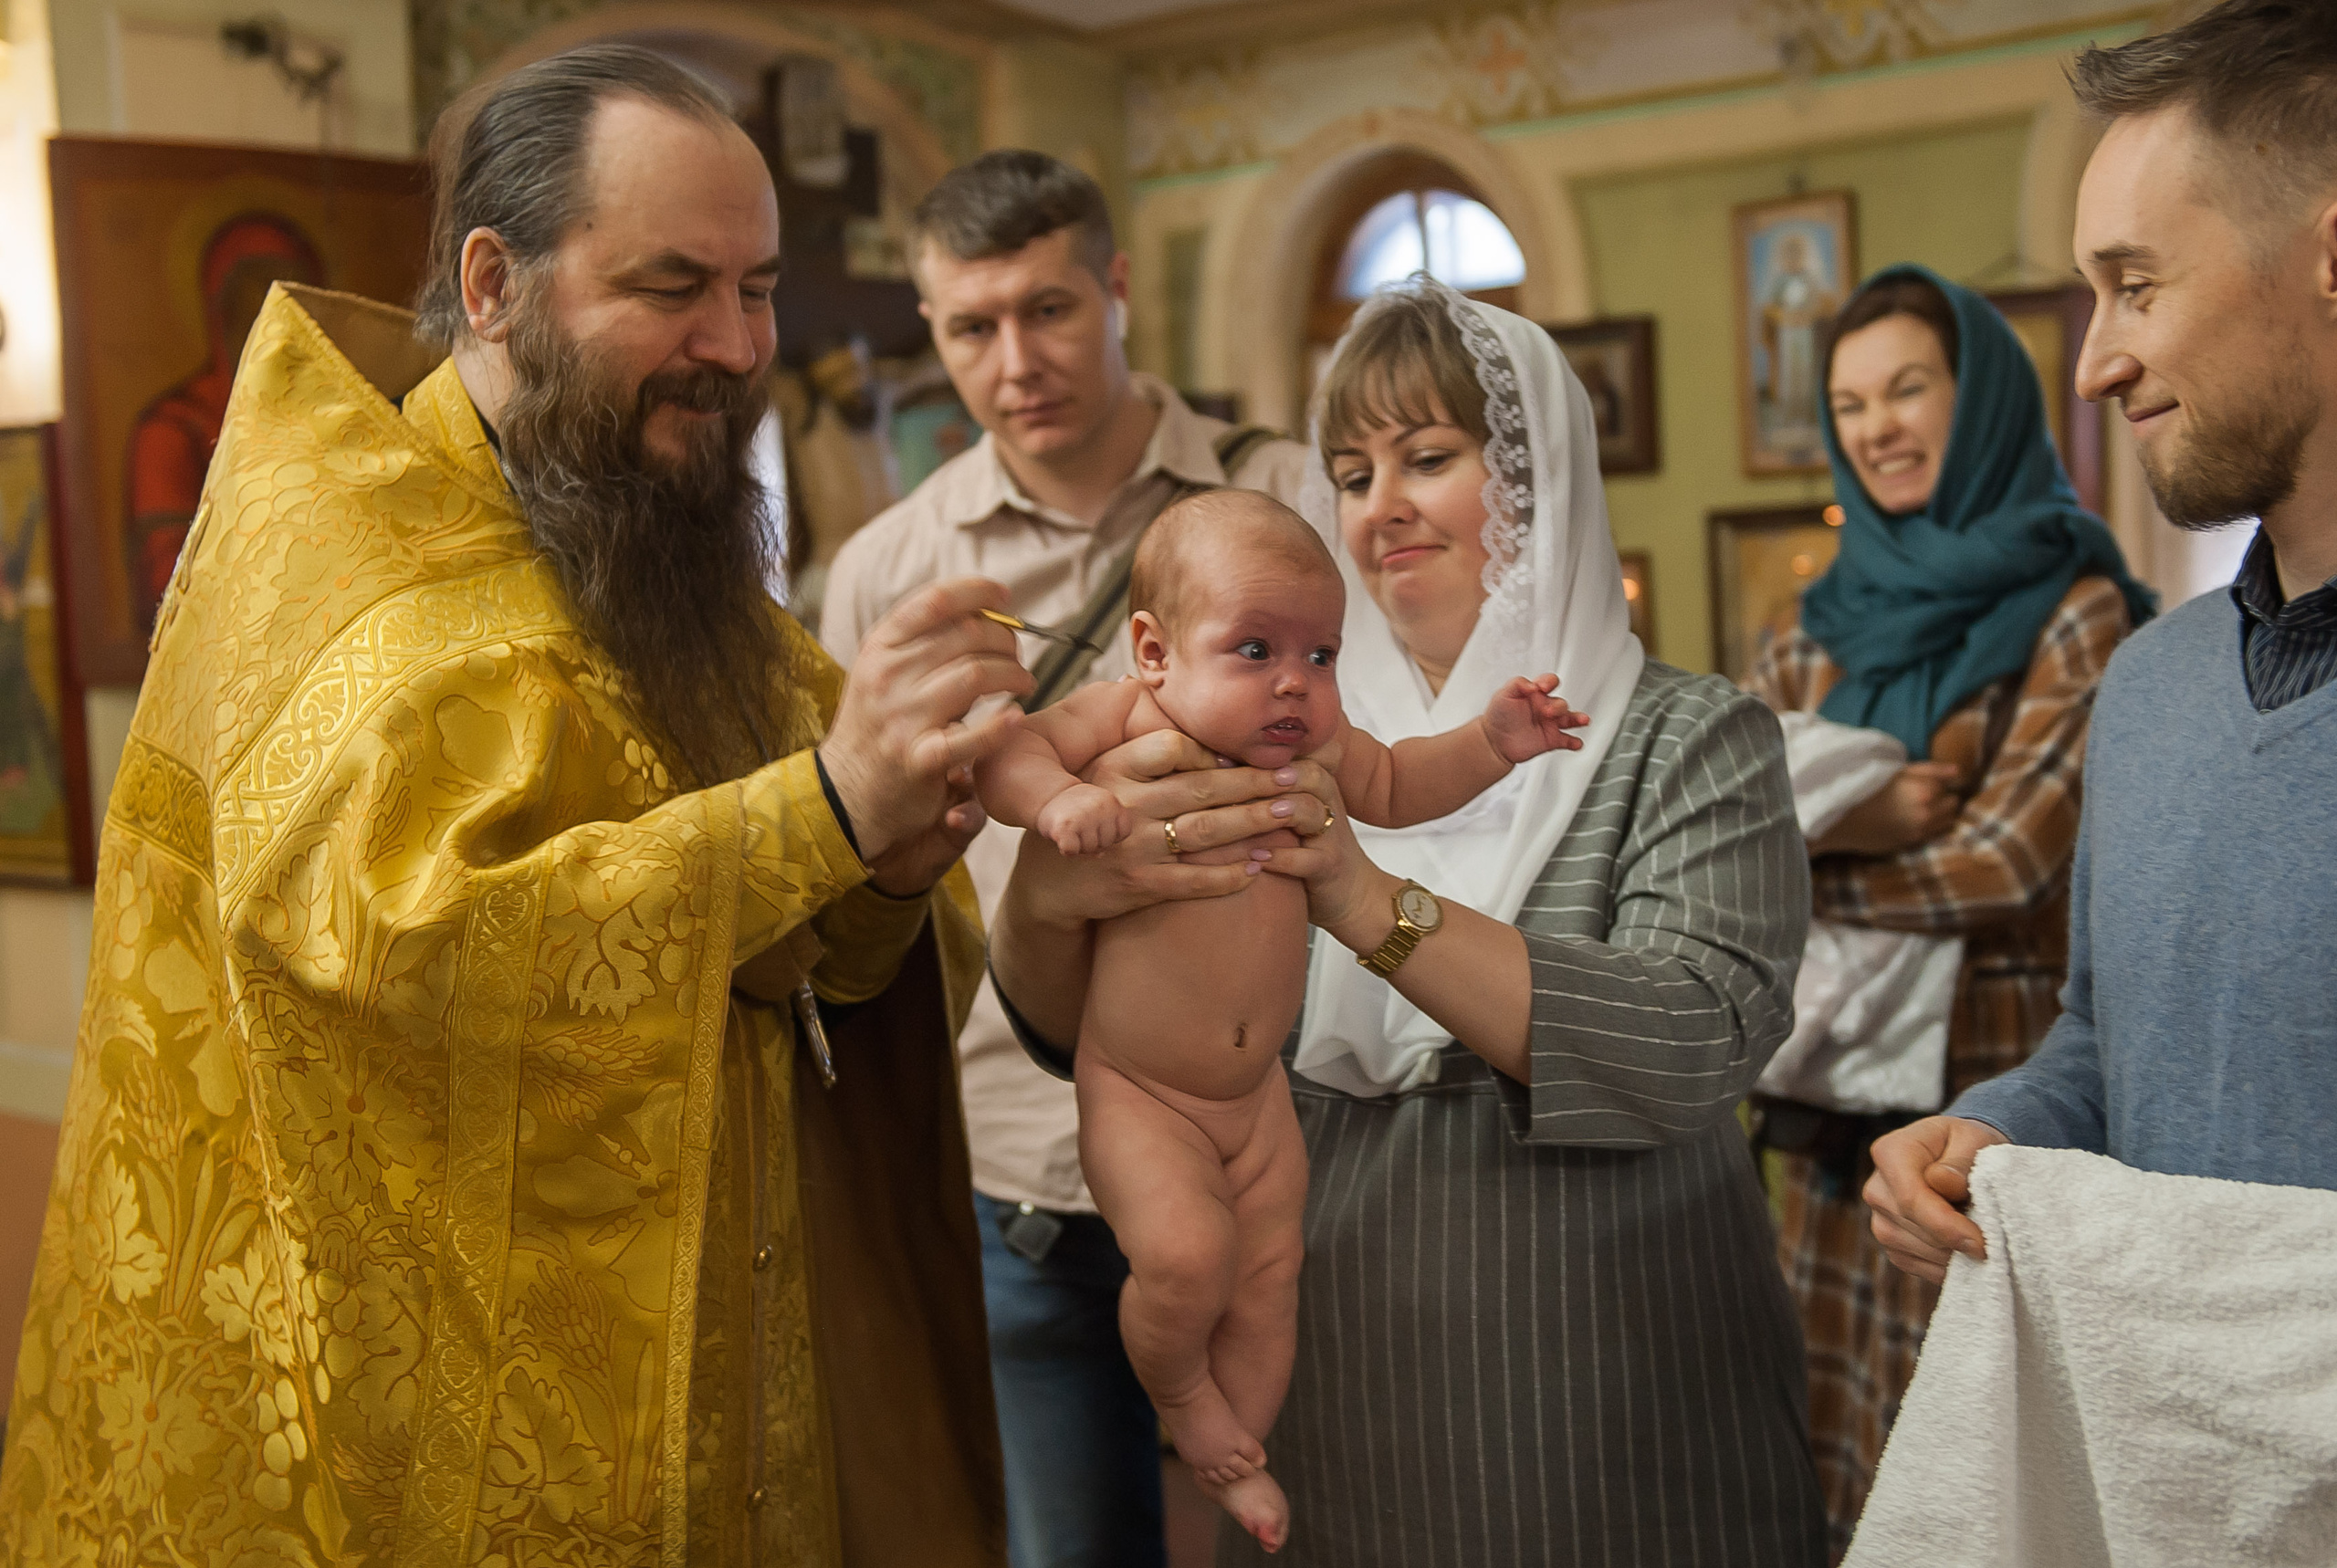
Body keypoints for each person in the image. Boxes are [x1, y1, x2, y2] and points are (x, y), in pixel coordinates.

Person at [0, 47, 1032, 1566]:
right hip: (429, 1426)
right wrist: (819, 808)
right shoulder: (340, 570)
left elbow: (820, 974)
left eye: (757, 290)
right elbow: (395, 946)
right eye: (672, 286)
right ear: (495, 282)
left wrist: (883, 863)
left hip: (734, 1382)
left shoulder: (649, 537)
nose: (736, 345)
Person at [992, 277, 1829, 1566]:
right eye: (1350, 469)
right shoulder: (1231, 724)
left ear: (1537, 474)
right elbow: (1098, 1037)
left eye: (1429, 456)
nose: (1380, 505)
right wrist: (1054, 898)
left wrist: (1361, 895)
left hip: (1606, 1406)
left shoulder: (1687, 736)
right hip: (1336, 1387)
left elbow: (1686, 1043)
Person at [821, 149, 1309, 1567]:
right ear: (931, 330)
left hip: (1269, 1131)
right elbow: (866, 864)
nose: (1014, 360)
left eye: (1047, 309)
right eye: (971, 327)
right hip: (1023, 1158)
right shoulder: (889, 572)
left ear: (1114, 287)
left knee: (1306, 1528)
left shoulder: (1279, 492)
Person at [977, 488, 1583, 1548]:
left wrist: (1490, 741)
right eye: (1254, 648)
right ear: (1154, 650)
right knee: (1184, 1255)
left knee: (1268, 1278)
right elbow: (1007, 752)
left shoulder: (1316, 747)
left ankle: (1236, 1449)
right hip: (1143, 1091)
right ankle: (1187, 1404)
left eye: (1321, 653)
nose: (1295, 683)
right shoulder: (1128, 717)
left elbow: (1398, 783)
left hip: (1258, 1102)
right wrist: (1055, 801)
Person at [1866, 0, 2337, 1273]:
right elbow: (2103, 1045)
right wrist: (1991, 1129)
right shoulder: (2151, 684)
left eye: (2136, 286)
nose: (2093, 366)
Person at [1744, 263, 2153, 1554]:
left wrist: (1811, 858)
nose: (1879, 426)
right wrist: (1860, 822)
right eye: (1853, 401)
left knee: (1979, 1475)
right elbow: (1727, 845)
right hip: (1823, 1117)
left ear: (1978, 399)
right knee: (1828, 1455)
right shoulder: (1816, 625)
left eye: (1911, 386)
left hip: (1991, 1109)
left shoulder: (2079, 611)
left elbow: (2006, 863)